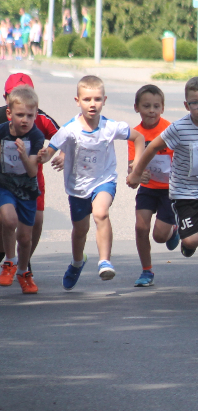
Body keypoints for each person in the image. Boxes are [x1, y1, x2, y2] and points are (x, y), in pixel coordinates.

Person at [127, 77, 198, 296]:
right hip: (184, 192)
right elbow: (151, 149)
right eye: (195, 103)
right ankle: (191, 229)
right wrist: (137, 173)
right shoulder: (178, 128)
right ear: (187, 105)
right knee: (191, 240)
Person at [39, 76, 145, 288]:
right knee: (80, 231)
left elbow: (138, 137)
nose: (92, 104)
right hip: (78, 187)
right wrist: (39, 155)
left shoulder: (110, 127)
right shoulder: (70, 129)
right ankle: (77, 262)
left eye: (97, 99)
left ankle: (105, 261)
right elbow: (48, 153)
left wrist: (136, 166)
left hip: (104, 181)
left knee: (101, 213)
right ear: (77, 101)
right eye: (87, 99)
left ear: (104, 100)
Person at [0, 74, 59, 265]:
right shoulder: (3, 120)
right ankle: (8, 257)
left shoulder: (39, 119)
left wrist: (57, 154)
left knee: (36, 221)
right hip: (5, 180)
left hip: (31, 180)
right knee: (7, 219)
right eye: (14, 94)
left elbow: (62, 136)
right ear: (6, 100)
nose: (24, 116)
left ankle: (24, 263)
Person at [127, 85, 180, 287]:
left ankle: (173, 229)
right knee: (141, 227)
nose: (151, 110)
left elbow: (182, 158)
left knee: (159, 236)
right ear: (136, 107)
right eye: (146, 106)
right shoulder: (135, 134)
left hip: (169, 189)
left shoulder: (170, 130)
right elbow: (132, 164)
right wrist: (137, 173)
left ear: (162, 108)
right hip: (148, 188)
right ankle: (146, 271)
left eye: (156, 106)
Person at [0, 86, 45, 293]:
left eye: (30, 115)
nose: (25, 120)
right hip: (5, 185)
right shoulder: (1, 131)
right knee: (9, 219)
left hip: (27, 189)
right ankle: (9, 261)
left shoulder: (35, 137)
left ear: (36, 114)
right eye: (20, 115)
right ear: (9, 113)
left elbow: (32, 172)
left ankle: (23, 271)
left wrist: (24, 155)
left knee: (25, 238)